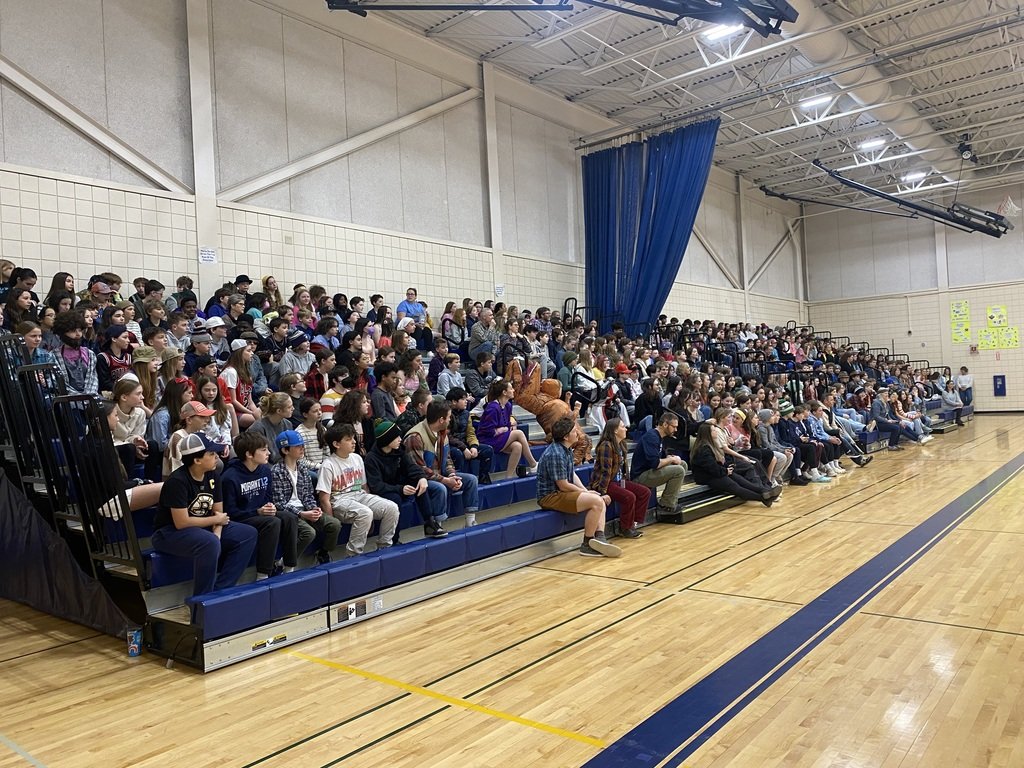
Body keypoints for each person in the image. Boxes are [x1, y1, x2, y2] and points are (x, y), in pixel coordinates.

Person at [150, 433, 257, 597]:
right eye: (212, 454)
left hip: (203, 527)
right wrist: (215, 525)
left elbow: (219, 511)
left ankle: (220, 591)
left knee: (247, 534)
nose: (217, 457)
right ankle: (202, 599)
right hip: (169, 533)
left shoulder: (213, 475)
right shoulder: (177, 481)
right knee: (209, 543)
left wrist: (217, 534)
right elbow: (181, 522)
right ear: (197, 460)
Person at [537, 416, 621, 558]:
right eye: (574, 431)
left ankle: (600, 538)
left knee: (598, 499)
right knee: (596, 501)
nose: (577, 433)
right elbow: (563, 485)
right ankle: (587, 544)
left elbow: (572, 475)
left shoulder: (566, 449)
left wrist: (588, 491)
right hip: (550, 497)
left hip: (560, 493)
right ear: (565, 436)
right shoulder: (555, 453)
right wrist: (586, 493)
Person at [222, 431, 300, 580]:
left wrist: (270, 506)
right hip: (240, 518)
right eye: (264, 450)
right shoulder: (229, 478)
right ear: (249, 454)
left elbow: (268, 497)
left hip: (259, 513)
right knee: (272, 522)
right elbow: (230, 512)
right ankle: (263, 574)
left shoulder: (265, 470)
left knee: (289, 517)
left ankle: (289, 567)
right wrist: (257, 511)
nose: (269, 453)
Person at [317, 423, 399, 555]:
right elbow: (324, 499)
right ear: (336, 444)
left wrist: (372, 512)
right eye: (348, 439)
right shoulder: (328, 465)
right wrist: (332, 523)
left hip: (359, 496)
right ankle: (353, 555)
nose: (354, 442)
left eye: (353, 438)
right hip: (339, 501)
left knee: (392, 508)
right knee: (365, 513)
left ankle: (384, 548)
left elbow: (364, 487)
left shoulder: (357, 458)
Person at [365, 418, 450, 538]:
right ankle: (394, 538)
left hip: (399, 485)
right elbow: (376, 485)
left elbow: (412, 467)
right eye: (396, 437)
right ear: (387, 440)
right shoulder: (371, 458)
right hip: (385, 491)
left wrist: (422, 478)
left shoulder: (399, 450)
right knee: (394, 499)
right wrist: (400, 489)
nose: (400, 439)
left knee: (419, 484)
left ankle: (429, 523)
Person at [405, 400, 481, 527]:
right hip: (420, 480)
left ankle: (470, 522)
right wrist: (445, 480)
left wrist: (452, 475)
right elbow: (419, 469)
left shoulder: (442, 433)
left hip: (440, 475)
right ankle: (436, 526)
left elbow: (447, 459)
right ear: (441, 419)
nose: (450, 420)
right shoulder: (415, 436)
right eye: (449, 417)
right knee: (440, 488)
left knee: (471, 480)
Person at [271, 430, 339, 564]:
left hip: (305, 509)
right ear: (285, 450)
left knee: (334, 524)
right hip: (290, 514)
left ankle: (323, 552)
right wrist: (302, 514)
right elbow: (279, 503)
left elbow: (307, 494)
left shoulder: (302, 468)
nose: (302, 448)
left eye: (302, 445)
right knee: (309, 533)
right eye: (297, 446)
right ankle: (284, 562)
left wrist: (314, 508)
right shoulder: (276, 471)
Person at [589, 417, 651, 539]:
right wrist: (602, 492)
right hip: (606, 483)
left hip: (619, 481)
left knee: (645, 492)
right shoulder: (606, 446)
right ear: (615, 430)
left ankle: (634, 522)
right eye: (622, 426)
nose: (626, 428)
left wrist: (626, 481)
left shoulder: (621, 444)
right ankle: (625, 528)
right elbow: (605, 471)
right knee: (629, 497)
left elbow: (623, 469)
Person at [690, 422, 779, 506]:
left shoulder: (709, 445)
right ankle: (763, 498)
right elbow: (712, 468)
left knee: (741, 480)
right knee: (735, 486)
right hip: (707, 476)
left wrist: (726, 469)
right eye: (713, 430)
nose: (716, 431)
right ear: (707, 434)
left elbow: (715, 465)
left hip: (716, 473)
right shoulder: (703, 449)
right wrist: (725, 471)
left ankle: (765, 490)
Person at [477, 378, 538, 478]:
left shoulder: (508, 405)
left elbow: (507, 423)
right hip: (488, 439)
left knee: (517, 446)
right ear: (504, 392)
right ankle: (533, 464)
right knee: (519, 433)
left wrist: (510, 426)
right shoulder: (493, 407)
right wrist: (503, 430)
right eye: (511, 388)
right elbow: (487, 430)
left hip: (499, 438)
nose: (513, 390)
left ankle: (509, 477)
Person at [630, 411, 687, 516]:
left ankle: (671, 501)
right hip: (640, 476)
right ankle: (666, 506)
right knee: (678, 470)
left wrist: (669, 458)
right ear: (665, 424)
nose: (676, 430)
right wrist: (670, 460)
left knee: (682, 464)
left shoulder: (660, 437)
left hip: (650, 471)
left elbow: (659, 458)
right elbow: (655, 464)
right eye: (674, 427)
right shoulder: (652, 437)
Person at [446, 387, 493, 484]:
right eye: (463, 399)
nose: (466, 401)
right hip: (451, 445)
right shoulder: (446, 413)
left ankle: (483, 477)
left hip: (464, 443)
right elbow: (447, 436)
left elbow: (470, 433)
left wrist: (473, 446)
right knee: (458, 453)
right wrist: (464, 448)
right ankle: (462, 481)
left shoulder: (467, 414)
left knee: (487, 450)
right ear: (454, 401)